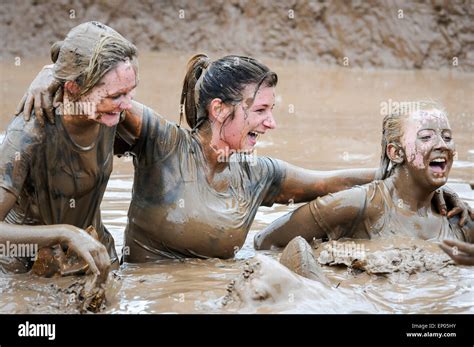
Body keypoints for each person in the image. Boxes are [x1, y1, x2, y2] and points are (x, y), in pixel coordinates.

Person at [17, 52, 470, 262]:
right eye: (261, 111)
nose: (271, 123)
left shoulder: (260, 174)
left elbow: (331, 180)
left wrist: (420, 179)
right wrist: (47, 75)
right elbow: (96, 85)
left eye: (272, 110)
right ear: (219, 110)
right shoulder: (162, 141)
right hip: (144, 292)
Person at [0, 21, 138, 277]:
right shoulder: (28, 133)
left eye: (131, 92)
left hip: (95, 257)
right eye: (117, 95)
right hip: (24, 273)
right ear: (74, 87)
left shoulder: (107, 111)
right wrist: (65, 233)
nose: (128, 105)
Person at [254, 101, 474, 251]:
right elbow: (265, 243)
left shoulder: (459, 221)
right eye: (426, 137)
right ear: (396, 153)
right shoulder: (357, 204)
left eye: (447, 137)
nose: (442, 145)